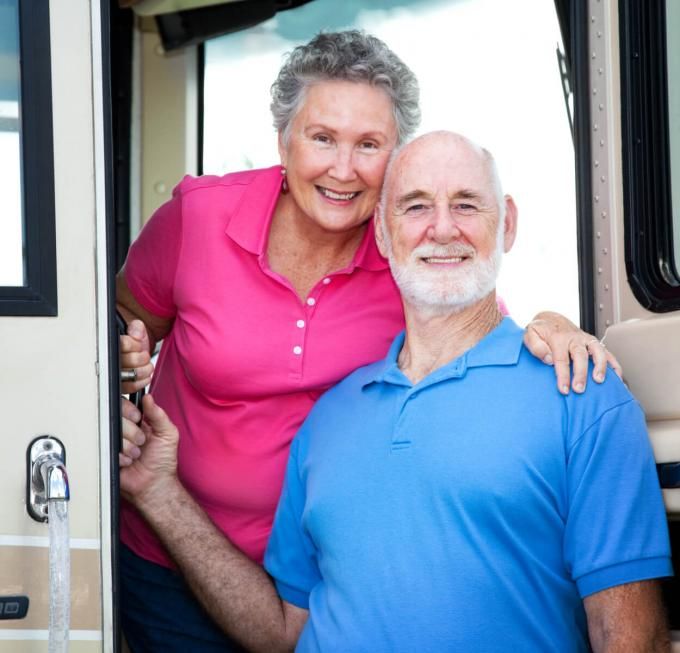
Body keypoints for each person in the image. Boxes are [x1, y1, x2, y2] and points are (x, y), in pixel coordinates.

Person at [117, 31, 622, 650]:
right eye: (322, 137)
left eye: (369, 145)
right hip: (172, 555)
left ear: (395, 156)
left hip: (327, 575)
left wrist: (557, 324)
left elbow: (487, 326)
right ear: (284, 140)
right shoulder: (195, 220)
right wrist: (126, 366)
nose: (343, 168)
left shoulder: (409, 255)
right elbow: (119, 328)